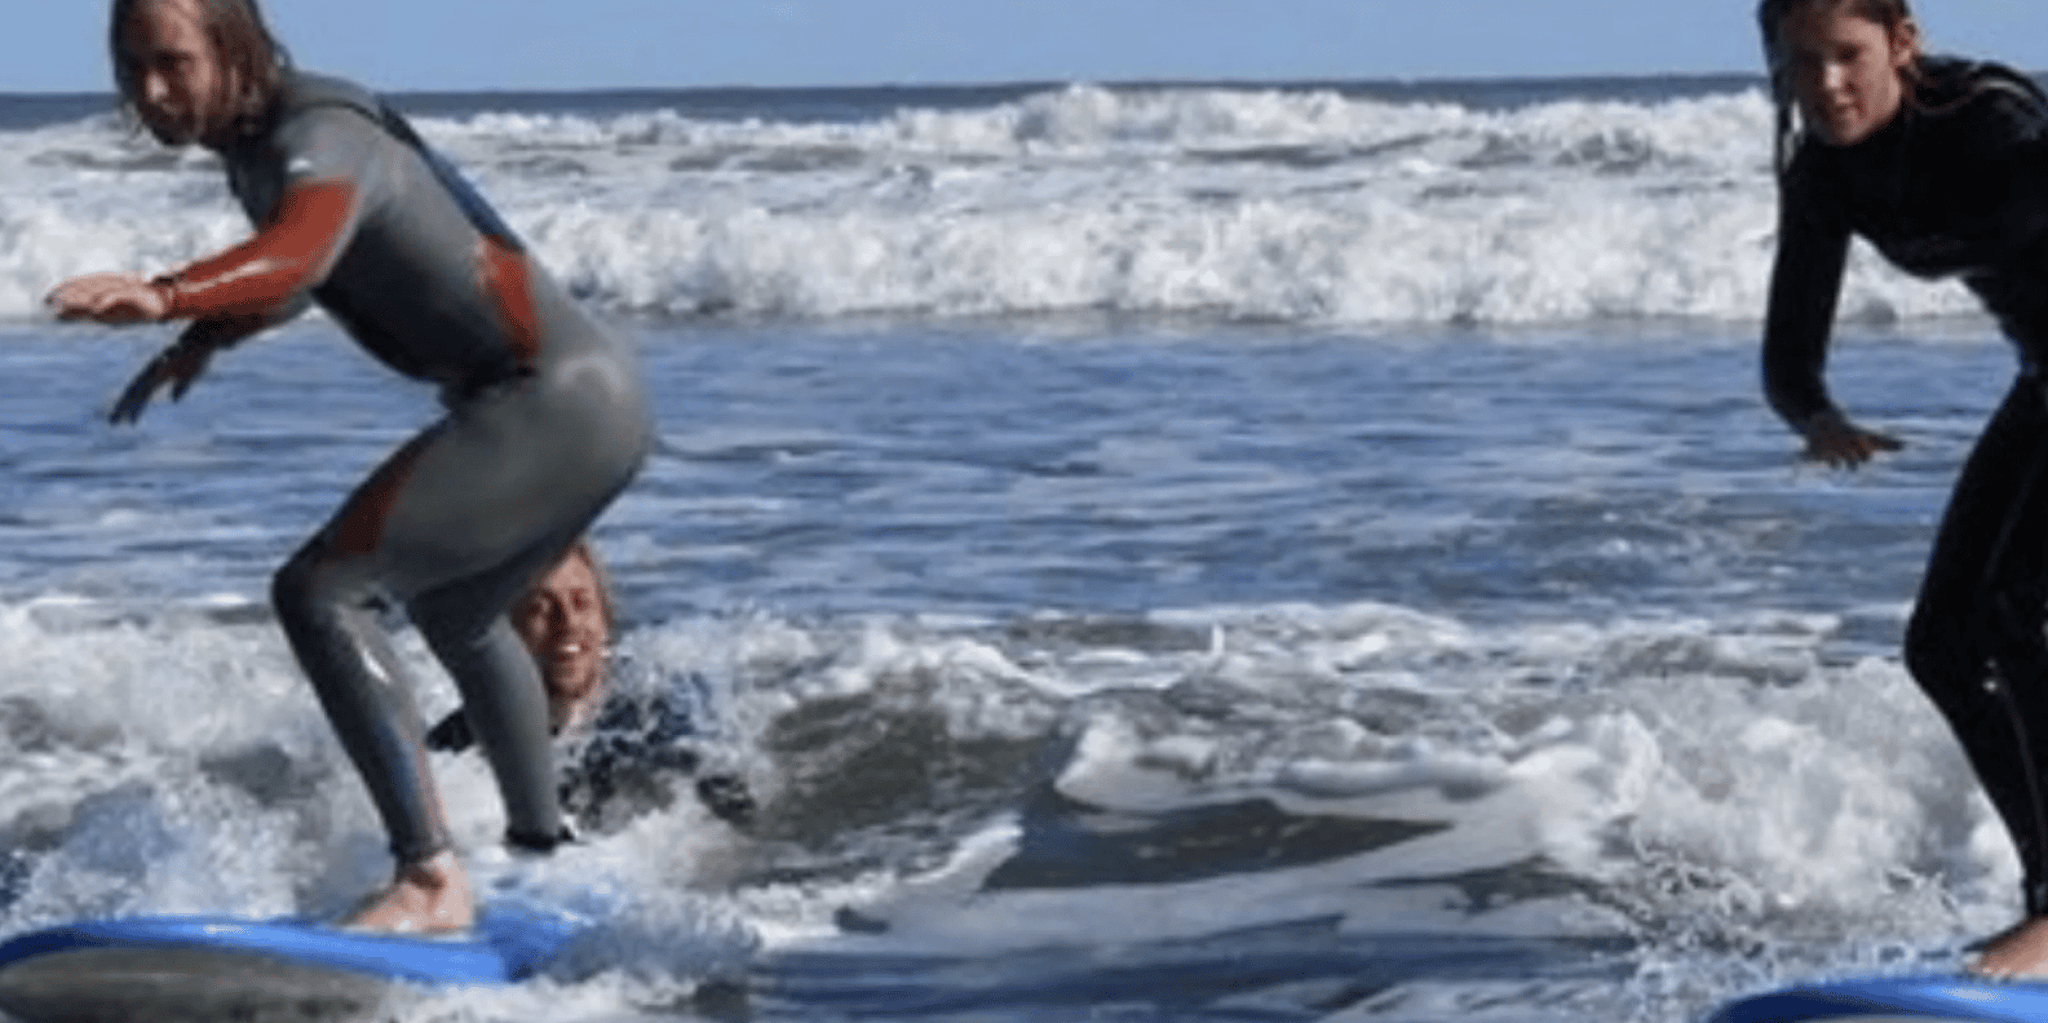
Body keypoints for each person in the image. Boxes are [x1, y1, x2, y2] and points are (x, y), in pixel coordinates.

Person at [46, 0, 650, 933]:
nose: (152, 93)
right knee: (459, 609)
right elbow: (320, 269)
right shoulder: (262, 147)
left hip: (550, 400)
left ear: (236, 47)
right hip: (581, 401)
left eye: (171, 63)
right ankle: (544, 849)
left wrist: (167, 295)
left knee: (321, 592)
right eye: (131, 71)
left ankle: (427, 878)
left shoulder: (321, 133)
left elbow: (293, 256)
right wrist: (205, 337)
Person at [1756, 0, 2048, 975]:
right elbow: (1787, 352)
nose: (1825, 83)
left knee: (2014, 609)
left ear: (1900, 44)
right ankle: (2043, 900)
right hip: (2042, 380)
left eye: (1846, 55)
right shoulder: (1826, 172)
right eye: (1802, 62)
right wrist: (1815, 418)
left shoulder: (1993, 121)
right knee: (1942, 643)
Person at [426, 542, 757, 830]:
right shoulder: (463, 740)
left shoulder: (651, 717)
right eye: (540, 609)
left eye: (582, 603)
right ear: (500, 634)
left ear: (606, 619)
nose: (568, 624)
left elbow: (733, 813)